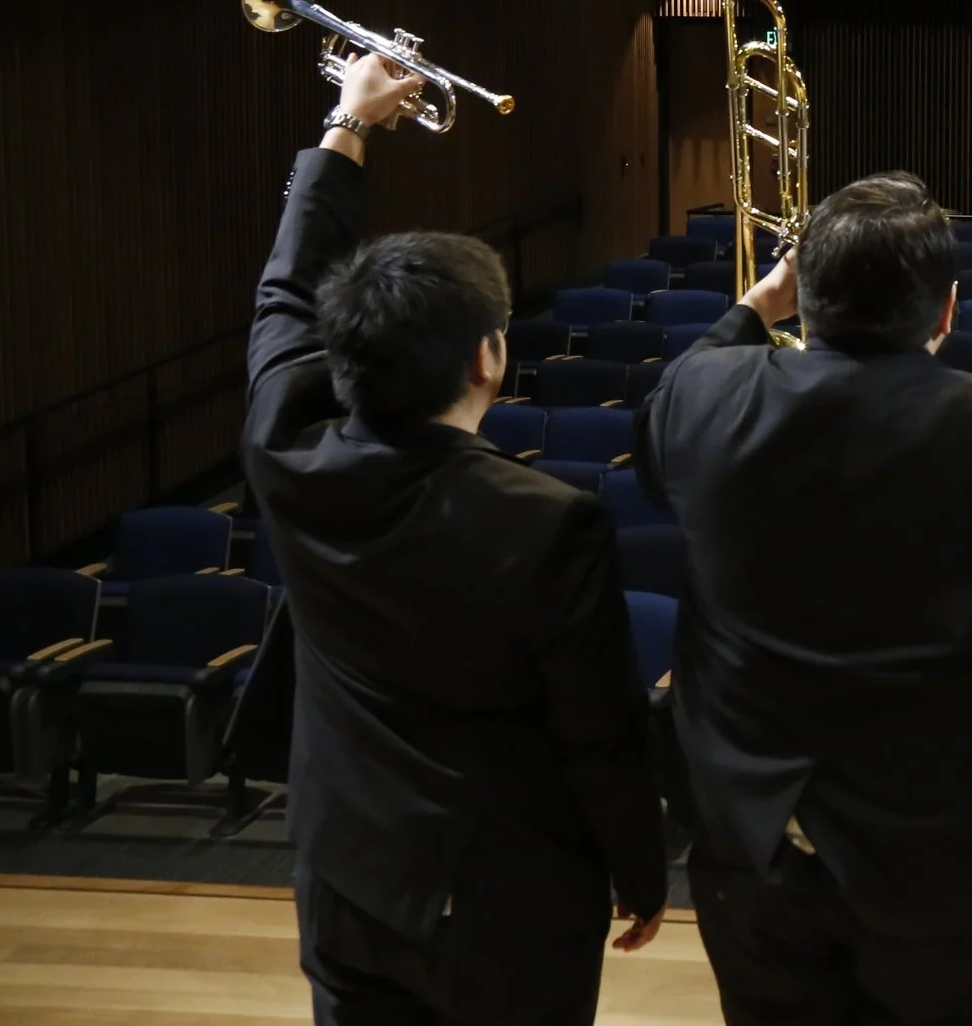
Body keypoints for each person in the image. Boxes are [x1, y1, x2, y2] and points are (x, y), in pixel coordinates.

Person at [242, 53, 667, 1025]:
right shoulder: (550, 520)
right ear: (489, 356)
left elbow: (285, 294)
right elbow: (598, 728)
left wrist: (346, 125)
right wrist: (642, 868)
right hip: (505, 897)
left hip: (348, 876)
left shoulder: (284, 453)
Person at [635, 172, 972, 1026]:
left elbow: (666, 410)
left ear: (803, 300)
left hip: (757, 840)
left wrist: (754, 305)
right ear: (947, 310)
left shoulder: (706, 397)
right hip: (951, 848)